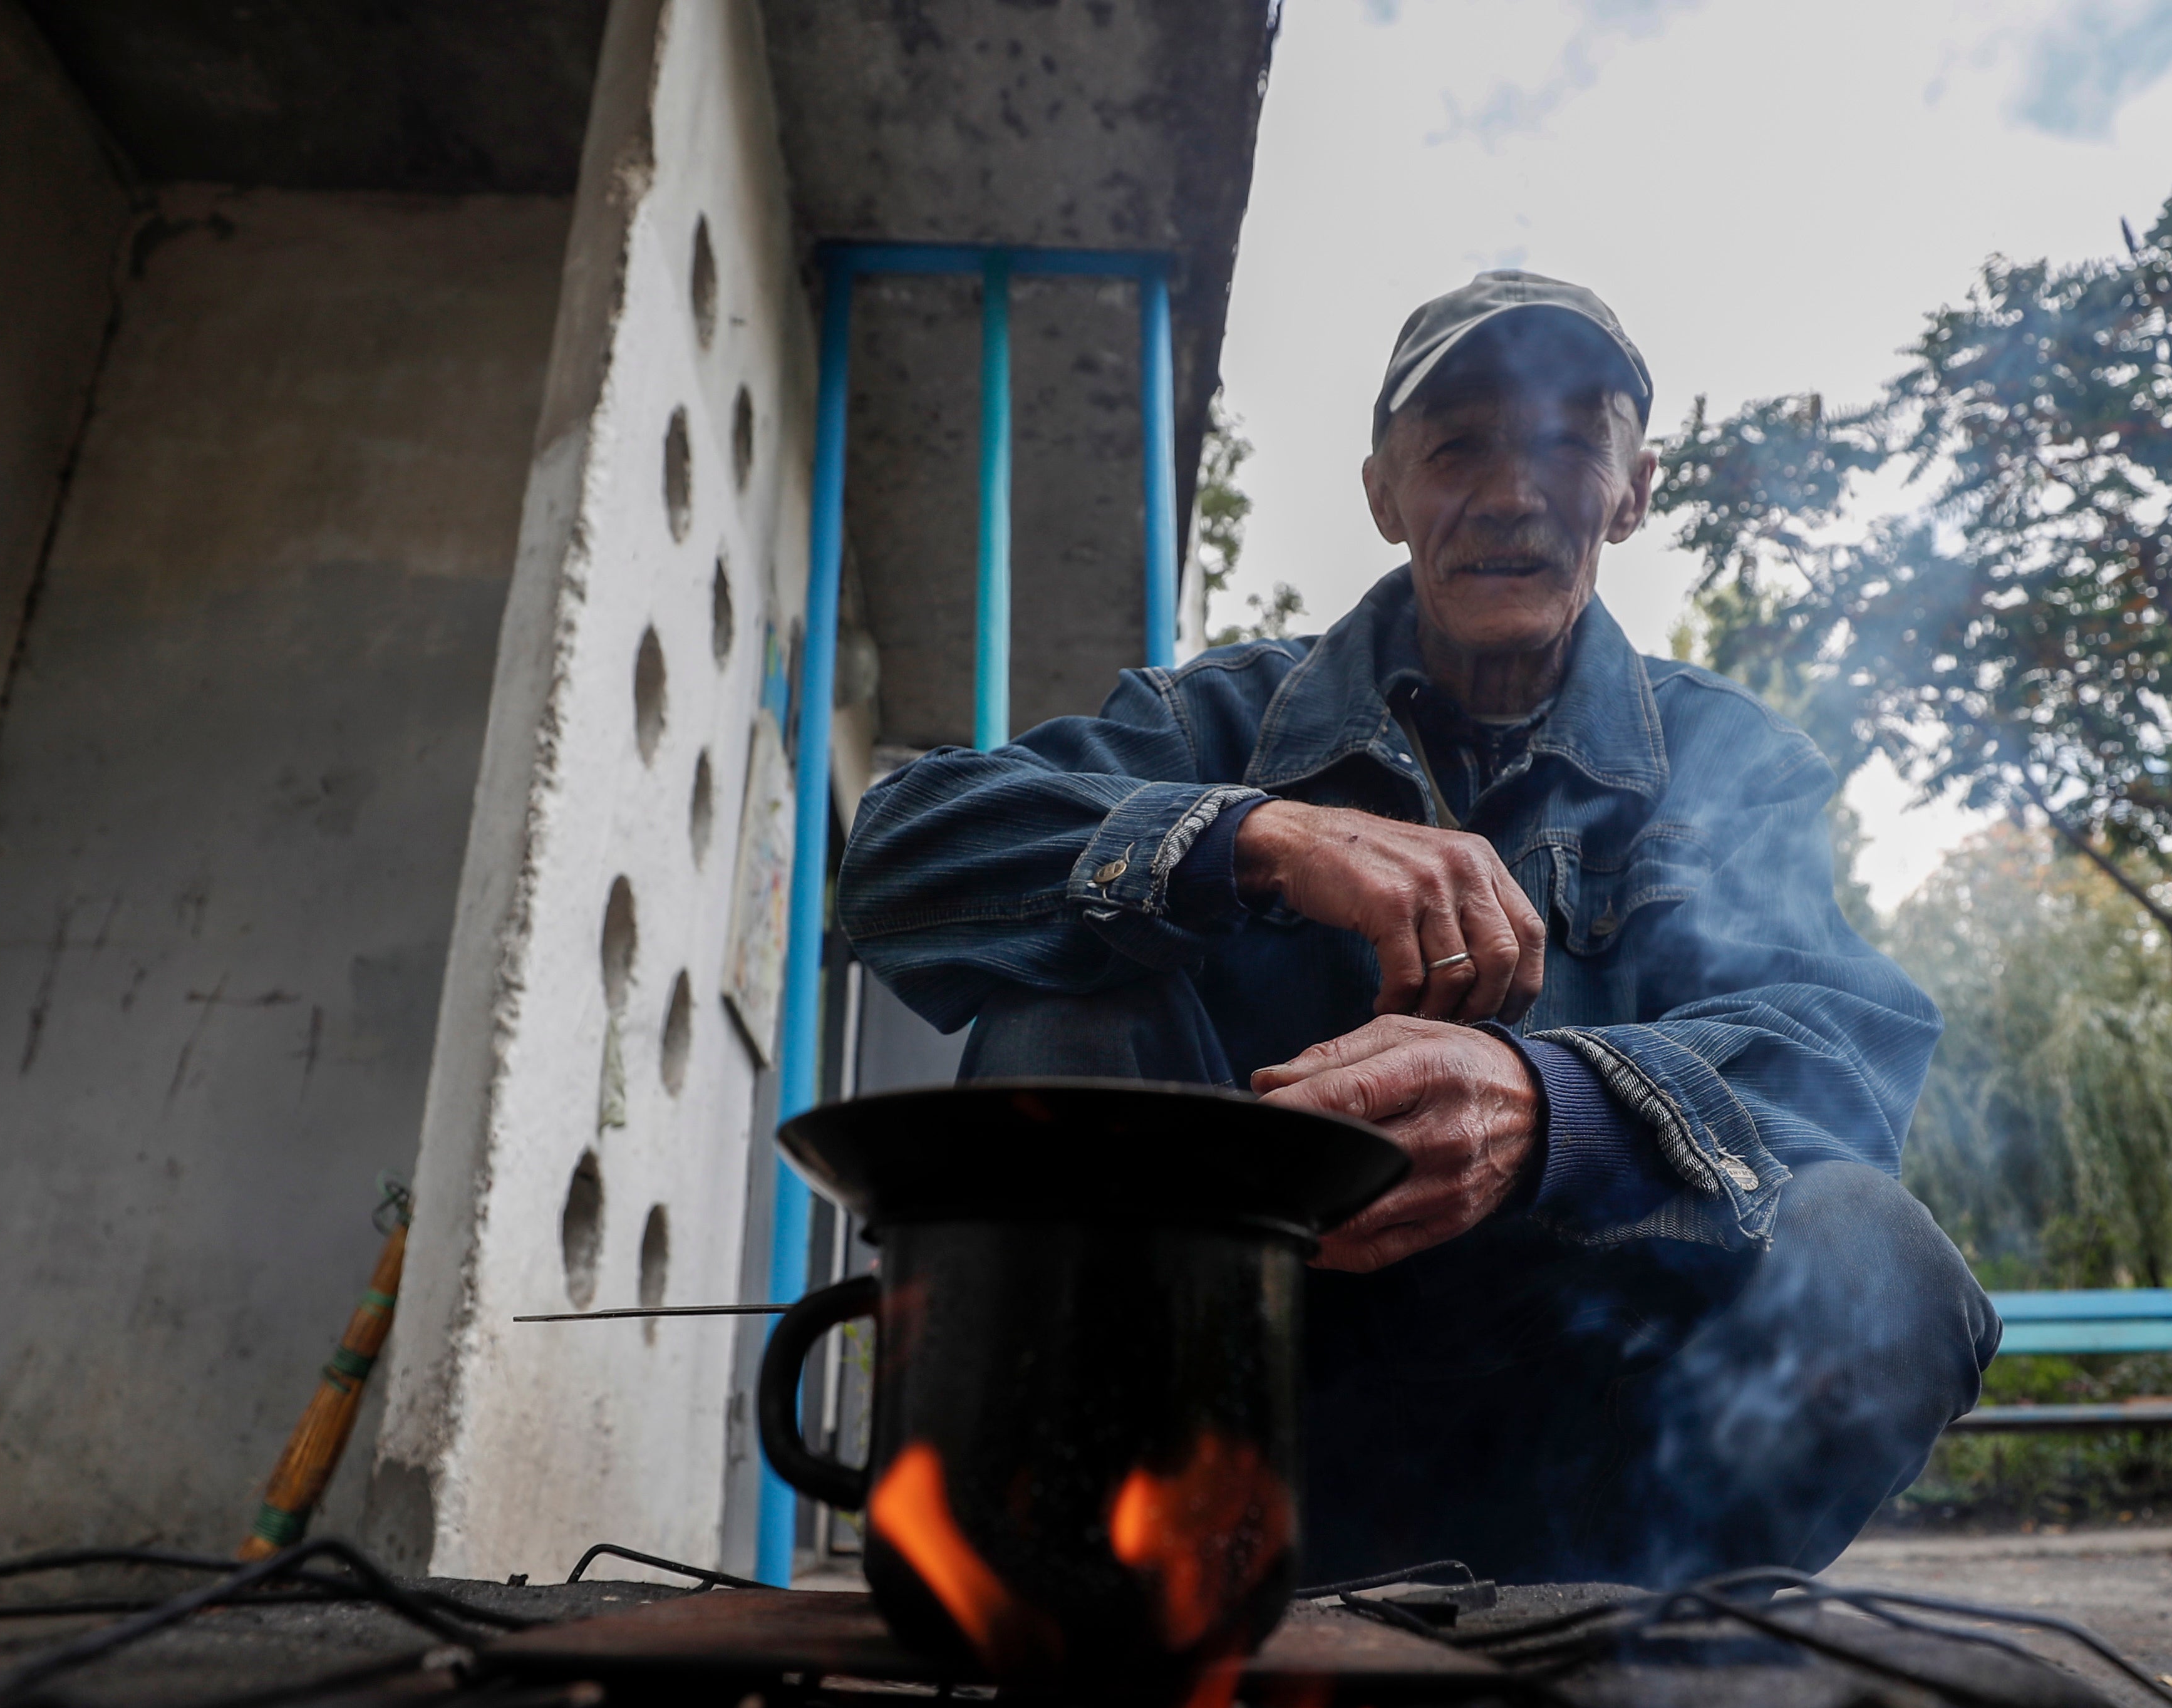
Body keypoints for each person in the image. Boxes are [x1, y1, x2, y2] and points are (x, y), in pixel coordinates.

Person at [840, 271, 1998, 1580]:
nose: (1511, 493)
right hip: (1223, 1431)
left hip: (1589, 1455)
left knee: (1875, 1256)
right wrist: (1253, 838)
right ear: (1384, 491)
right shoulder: (1213, 726)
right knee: (1067, 995)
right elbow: (895, 856)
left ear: (1634, 488)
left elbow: (1840, 1060)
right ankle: (1106, 1686)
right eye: (1456, 446)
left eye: (1570, 441)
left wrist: (1560, 1107)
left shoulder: (1733, 762)